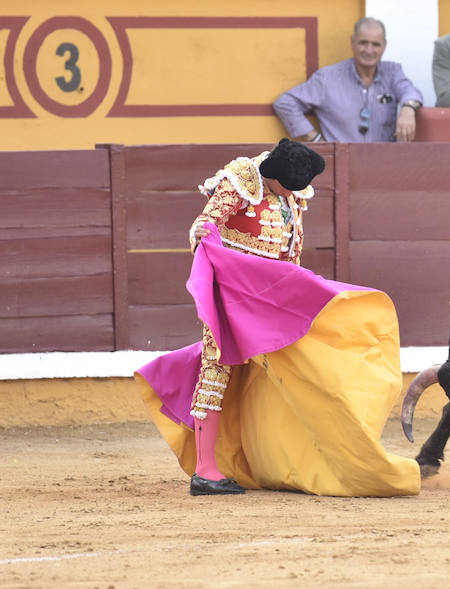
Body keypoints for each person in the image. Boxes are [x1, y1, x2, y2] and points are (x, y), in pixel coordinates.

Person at [135, 138, 420, 497]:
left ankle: (290, 459)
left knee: (296, 368)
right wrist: (221, 255)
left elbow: (290, 255)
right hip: (233, 295)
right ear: (272, 177)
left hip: (273, 301)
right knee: (217, 368)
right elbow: (202, 228)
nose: (295, 193)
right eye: (289, 186)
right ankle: (206, 470)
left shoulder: (292, 192)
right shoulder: (240, 180)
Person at [274, 17, 423, 142]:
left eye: (376, 44)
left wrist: (408, 109)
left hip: (384, 165)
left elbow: (410, 92)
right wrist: (316, 140)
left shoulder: (393, 72)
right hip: (341, 167)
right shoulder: (328, 78)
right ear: (352, 42)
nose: (369, 50)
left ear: (384, 46)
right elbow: (285, 103)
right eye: (363, 43)